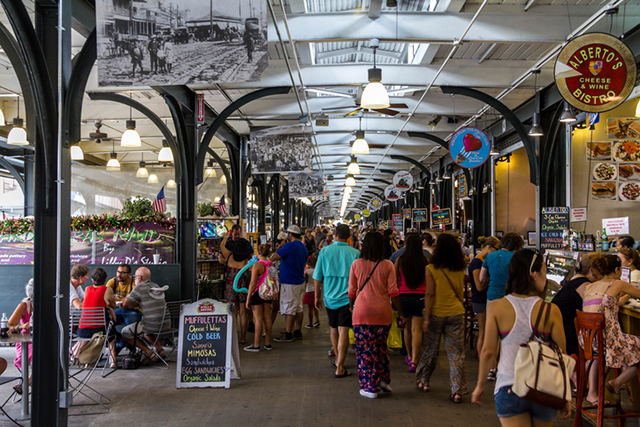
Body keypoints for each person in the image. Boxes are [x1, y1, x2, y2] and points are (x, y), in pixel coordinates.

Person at [472, 249, 572, 425]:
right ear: (534, 274)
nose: (546, 277)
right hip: (544, 389)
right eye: (544, 270)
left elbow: (488, 351)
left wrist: (480, 385)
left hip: (509, 386)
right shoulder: (551, 310)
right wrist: (565, 392)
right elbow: (561, 355)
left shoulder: (497, 307)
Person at [349, 232, 404, 398]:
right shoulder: (387, 265)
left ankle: (369, 387)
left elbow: (351, 290)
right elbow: (393, 291)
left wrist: (352, 307)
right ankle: (383, 380)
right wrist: (400, 313)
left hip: (361, 313)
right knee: (380, 349)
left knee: (365, 351)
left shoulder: (356, 264)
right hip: (382, 312)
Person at [581, 254, 640, 408]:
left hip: (590, 342)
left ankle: (598, 390)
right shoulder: (618, 283)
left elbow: (610, 304)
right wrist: (630, 292)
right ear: (617, 269)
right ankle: (618, 382)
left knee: (630, 346)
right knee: (636, 345)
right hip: (610, 342)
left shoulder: (589, 287)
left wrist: (626, 296)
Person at [416, 233, 468, 402]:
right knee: (455, 355)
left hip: (436, 314)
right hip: (455, 313)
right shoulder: (459, 269)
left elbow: (430, 294)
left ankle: (424, 381)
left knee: (430, 350)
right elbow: (460, 293)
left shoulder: (431, 269)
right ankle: (457, 390)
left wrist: (426, 319)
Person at [551, 253, 601, 405]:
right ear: (592, 271)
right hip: (566, 330)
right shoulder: (585, 285)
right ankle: (580, 378)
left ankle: (577, 376)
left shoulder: (574, 279)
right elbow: (594, 308)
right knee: (596, 345)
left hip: (557, 326)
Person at [314, 224, 360, 378]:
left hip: (329, 297)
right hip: (348, 298)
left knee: (333, 328)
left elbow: (317, 276)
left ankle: (337, 359)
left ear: (334, 234)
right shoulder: (355, 253)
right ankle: (340, 365)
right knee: (344, 330)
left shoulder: (325, 251)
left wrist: (316, 296)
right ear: (348, 236)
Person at [480, 232, 524, 380]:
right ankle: (507, 368)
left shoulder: (490, 257)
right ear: (517, 246)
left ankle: (491, 369)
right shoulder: (517, 259)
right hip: (511, 299)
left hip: (492, 298)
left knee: (492, 335)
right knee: (509, 334)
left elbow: (482, 278)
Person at [394, 234, 428, 373]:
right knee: (417, 330)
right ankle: (415, 359)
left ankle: (409, 355)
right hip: (420, 297)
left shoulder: (400, 260)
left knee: (406, 329)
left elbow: (395, 282)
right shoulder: (425, 261)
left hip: (403, 297)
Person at [122, 267, 168, 363]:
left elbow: (125, 304)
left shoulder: (139, 287)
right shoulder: (155, 285)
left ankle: (149, 352)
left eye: (134, 277)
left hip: (152, 325)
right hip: (166, 324)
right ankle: (159, 349)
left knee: (125, 332)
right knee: (146, 331)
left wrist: (137, 303)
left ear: (139, 278)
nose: (134, 279)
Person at [272, 225, 309, 342]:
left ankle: (288, 333)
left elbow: (275, 256)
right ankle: (297, 331)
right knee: (298, 307)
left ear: (290, 234)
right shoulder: (303, 247)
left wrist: (282, 245)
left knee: (289, 307)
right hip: (300, 280)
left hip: (289, 281)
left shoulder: (289, 246)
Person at [219, 224, 254, 344]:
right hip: (243, 284)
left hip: (230, 283)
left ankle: (231, 336)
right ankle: (243, 338)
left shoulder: (229, 256)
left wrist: (225, 237)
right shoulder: (246, 259)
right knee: (243, 313)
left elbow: (221, 246)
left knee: (232, 311)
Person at [78, 268, 118, 368]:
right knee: (112, 336)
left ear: (92, 280)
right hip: (100, 330)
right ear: (105, 280)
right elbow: (113, 305)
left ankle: (81, 359)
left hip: (83, 330)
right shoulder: (107, 290)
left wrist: (107, 306)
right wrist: (109, 306)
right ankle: (113, 361)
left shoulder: (87, 289)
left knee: (88, 336)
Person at [468, 236, 499, 359]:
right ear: (489, 247)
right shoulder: (477, 263)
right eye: (497, 249)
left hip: (482, 299)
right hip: (480, 300)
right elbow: (479, 286)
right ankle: (482, 360)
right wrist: (493, 279)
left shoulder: (483, 261)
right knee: (483, 332)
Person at [244, 244, 275, 352]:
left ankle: (256, 344)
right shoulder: (271, 265)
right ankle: (268, 343)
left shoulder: (257, 265)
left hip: (257, 293)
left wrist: (248, 298)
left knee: (258, 319)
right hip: (268, 292)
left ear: (258, 253)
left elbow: (252, 283)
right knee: (267, 317)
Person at [8, 279, 34, 373]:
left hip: (42, 339)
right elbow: (9, 326)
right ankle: (28, 382)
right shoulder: (24, 306)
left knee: (48, 352)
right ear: (32, 294)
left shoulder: (49, 305)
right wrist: (21, 326)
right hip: (26, 341)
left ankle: (29, 381)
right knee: (40, 354)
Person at [303, 255, 319, 329]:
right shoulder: (317, 271)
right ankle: (317, 320)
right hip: (317, 290)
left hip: (309, 290)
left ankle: (310, 323)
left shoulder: (308, 272)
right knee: (316, 307)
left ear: (308, 263)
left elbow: (306, 281)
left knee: (310, 308)